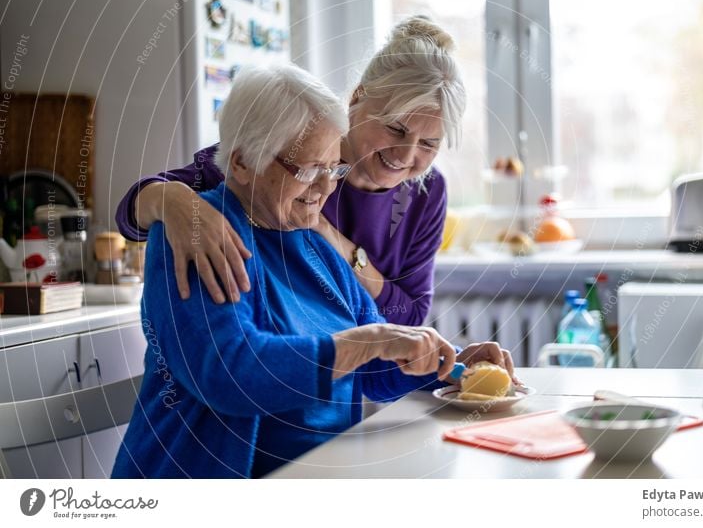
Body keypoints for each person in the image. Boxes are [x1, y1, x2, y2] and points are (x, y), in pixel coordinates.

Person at [112, 64, 514, 479]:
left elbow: (376, 370)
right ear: (244, 163)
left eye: (334, 168)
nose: (326, 188)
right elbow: (230, 373)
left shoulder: (316, 247)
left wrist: (451, 365)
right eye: (308, 170)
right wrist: (365, 342)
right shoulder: (201, 237)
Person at [114, 16, 481, 336]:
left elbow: (409, 318)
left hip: (356, 380)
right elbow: (130, 215)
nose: (407, 155)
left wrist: (336, 243)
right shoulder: (293, 144)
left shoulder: (426, 191)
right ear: (358, 97)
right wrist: (174, 200)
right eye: (396, 129)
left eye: (429, 143)